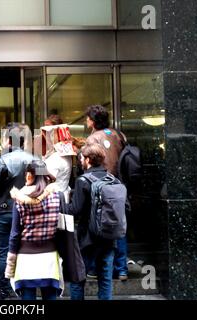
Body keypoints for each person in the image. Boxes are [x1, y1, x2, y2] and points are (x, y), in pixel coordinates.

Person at [0, 122, 35, 300]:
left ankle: (3, 290)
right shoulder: (34, 159)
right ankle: (23, 289)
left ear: (9, 141)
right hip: (28, 209)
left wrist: (3, 196)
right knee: (24, 250)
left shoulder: (3, 160)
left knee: (4, 251)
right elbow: (41, 185)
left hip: (5, 210)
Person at [5, 160, 63, 300]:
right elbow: (61, 228)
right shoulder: (57, 196)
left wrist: (10, 264)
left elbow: (15, 234)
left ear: (30, 175)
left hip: (26, 259)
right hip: (50, 257)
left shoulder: (20, 198)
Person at [65, 143, 115, 300]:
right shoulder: (112, 179)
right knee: (105, 280)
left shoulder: (83, 180)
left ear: (87, 159)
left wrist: (60, 206)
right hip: (108, 237)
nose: (80, 161)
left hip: (87, 239)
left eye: (81, 158)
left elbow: (75, 209)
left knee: (78, 279)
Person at [85, 105, 128, 281]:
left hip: (100, 187)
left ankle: (96, 268)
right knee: (120, 226)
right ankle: (122, 269)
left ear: (93, 121)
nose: (86, 121)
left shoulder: (93, 138)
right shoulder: (119, 135)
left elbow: (86, 165)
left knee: (99, 227)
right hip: (119, 187)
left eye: (87, 118)